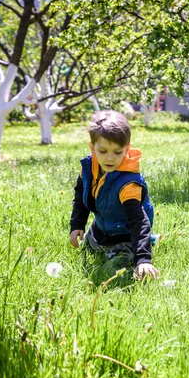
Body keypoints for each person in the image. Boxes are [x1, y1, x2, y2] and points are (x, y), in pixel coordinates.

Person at [69, 110, 159, 280]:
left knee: (118, 267)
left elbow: (139, 221)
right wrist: (77, 224)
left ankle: (144, 244)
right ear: (92, 147)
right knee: (88, 249)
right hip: (102, 225)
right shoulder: (88, 168)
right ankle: (148, 240)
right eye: (103, 151)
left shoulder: (128, 183)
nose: (110, 158)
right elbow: (80, 196)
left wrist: (144, 259)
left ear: (126, 149)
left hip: (126, 231)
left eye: (117, 152)